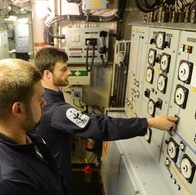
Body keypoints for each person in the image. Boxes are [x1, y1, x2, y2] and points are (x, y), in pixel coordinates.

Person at [34, 47, 179, 191]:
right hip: (56, 180)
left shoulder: (40, 99)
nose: (69, 72)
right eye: (64, 69)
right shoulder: (56, 110)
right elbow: (101, 126)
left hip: (48, 172)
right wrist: (149, 122)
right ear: (47, 74)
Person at [0, 59, 70, 195]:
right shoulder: (6, 184)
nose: (44, 103)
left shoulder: (26, 133)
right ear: (18, 110)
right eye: (39, 99)